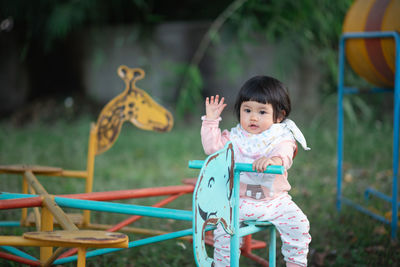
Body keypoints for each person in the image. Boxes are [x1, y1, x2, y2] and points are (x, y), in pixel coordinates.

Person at [200, 75, 311, 267]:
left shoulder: (281, 137)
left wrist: (273, 160)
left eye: (262, 112)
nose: (253, 117)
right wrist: (211, 121)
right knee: (223, 232)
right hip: (238, 201)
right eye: (247, 110)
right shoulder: (235, 138)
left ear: (279, 116)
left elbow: (285, 154)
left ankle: (296, 263)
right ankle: (224, 264)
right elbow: (213, 150)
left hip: (275, 201)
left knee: (299, 225)